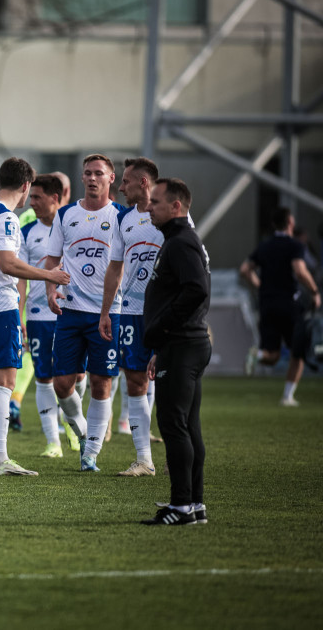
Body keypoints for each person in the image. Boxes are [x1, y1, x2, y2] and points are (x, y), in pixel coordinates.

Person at [0, 158, 71, 477]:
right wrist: (48, 274)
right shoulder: (7, 217)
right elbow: (8, 263)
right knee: (5, 382)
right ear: (25, 186)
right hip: (0, 306)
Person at [43, 154, 126, 472]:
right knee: (62, 383)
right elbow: (52, 260)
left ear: (111, 178)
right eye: (87, 173)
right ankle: (83, 434)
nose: (92, 178)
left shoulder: (121, 216)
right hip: (71, 310)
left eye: (98, 174)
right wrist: (51, 290)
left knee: (100, 383)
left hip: (108, 312)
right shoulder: (66, 215)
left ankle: (90, 452)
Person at [141, 178, 212, 526]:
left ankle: (182, 505)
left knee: (174, 426)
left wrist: (164, 327)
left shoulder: (182, 242)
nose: (149, 206)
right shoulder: (177, 240)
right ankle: (194, 505)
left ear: (176, 207)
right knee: (187, 426)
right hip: (183, 344)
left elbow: (196, 290)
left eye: (155, 202)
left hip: (183, 344)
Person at [99, 157, 169, 477]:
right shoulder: (124, 219)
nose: (119, 186)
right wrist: (106, 311)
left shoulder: (169, 213)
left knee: (171, 383)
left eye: (125, 181)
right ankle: (144, 460)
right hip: (129, 313)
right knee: (134, 380)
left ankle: (180, 453)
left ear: (143, 182)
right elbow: (115, 268)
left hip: (163, 313)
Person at [240, 207, 321, 406]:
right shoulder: (295, 245)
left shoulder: (265, 245)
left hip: (267, 303)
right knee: (298, 352)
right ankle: (287, 397)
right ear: (290, 223)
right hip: (289, 304)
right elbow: (300, 271)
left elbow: (245, 269)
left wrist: (260, 286)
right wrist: (314, 291)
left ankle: (257, 355)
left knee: (272, 355)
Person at [17, 174, 70, 458]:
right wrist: (20, 315)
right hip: (38, 316)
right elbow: (21, 279)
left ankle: (73, 424)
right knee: (43, 378)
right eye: (31, 196)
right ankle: (53, 441)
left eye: (37, 197)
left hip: (72, 314)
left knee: (76, 378)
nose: (32, 203)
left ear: (55, 198)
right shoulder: (27, 233)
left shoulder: (73, 226)